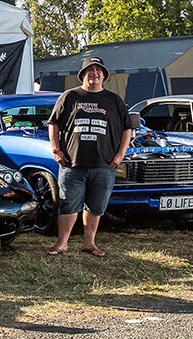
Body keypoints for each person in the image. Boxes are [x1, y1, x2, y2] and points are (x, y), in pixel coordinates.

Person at [46, 56, 131, 258]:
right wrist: (56, 150)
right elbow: (53, 124)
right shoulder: (69, 96)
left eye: (98, 69)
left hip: (104, 165)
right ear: (83, 74)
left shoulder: (114, 100)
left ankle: (89, 243)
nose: (95, 73)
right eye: (90, 70)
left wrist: (120, 155)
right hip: (72, 164)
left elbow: (127, 129)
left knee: (96, 206)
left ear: (104, 75)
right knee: (68, 204)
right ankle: (62, 244)